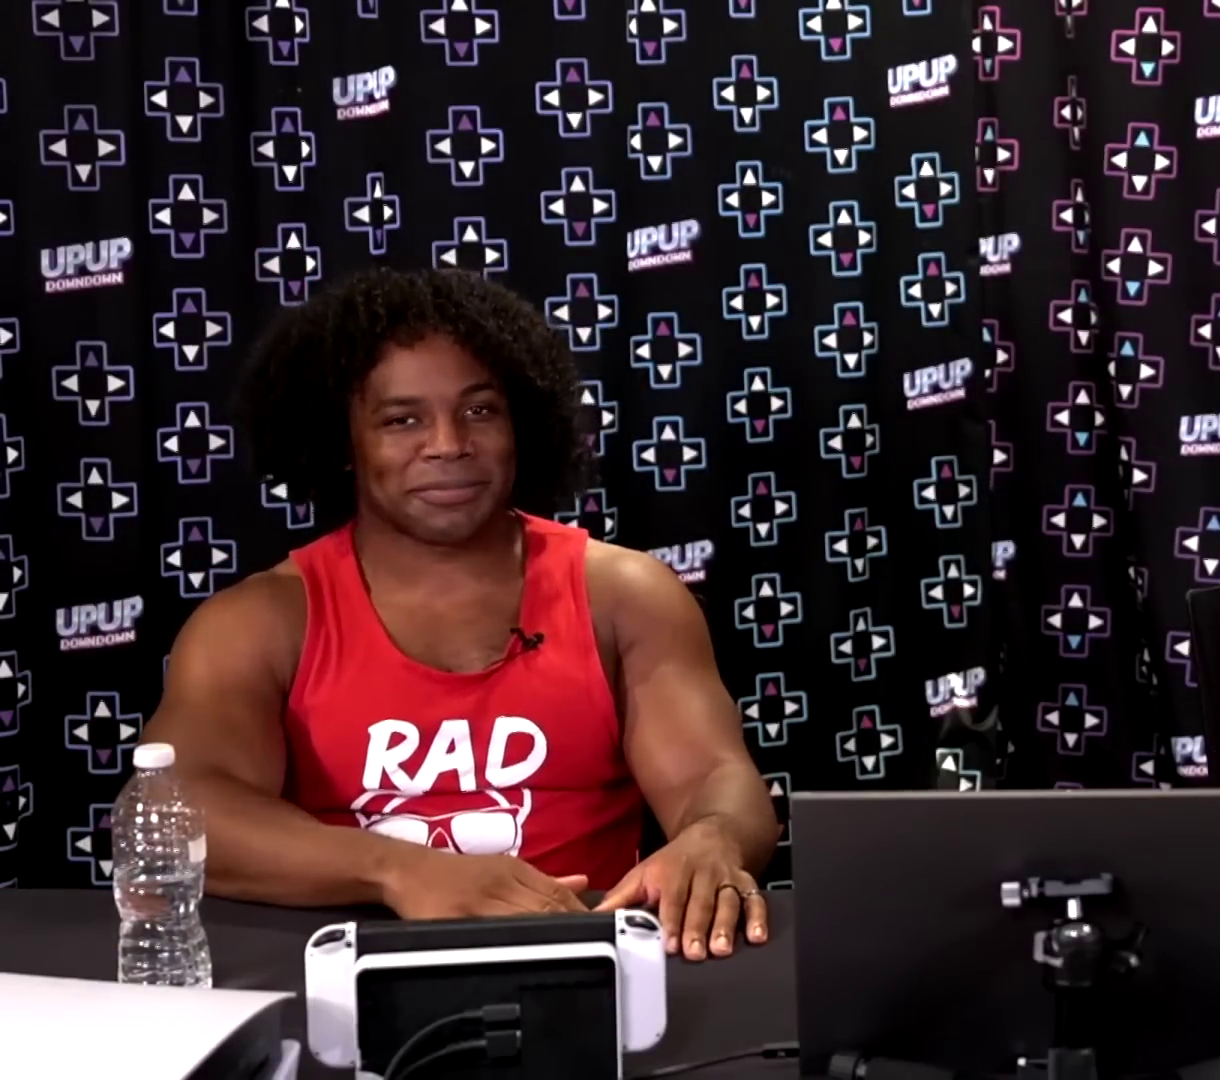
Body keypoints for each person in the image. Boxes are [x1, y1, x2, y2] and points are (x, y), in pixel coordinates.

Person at [143, 267, 781, 960]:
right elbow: (177, 811)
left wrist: (713, 836)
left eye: (480, 411)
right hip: (345, 976)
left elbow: (715, 777)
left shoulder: (625, 594)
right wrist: (399, 870)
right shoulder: (259, 622)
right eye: (402, 420)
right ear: (344, 443)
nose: (448, 444)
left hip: (589, 966)